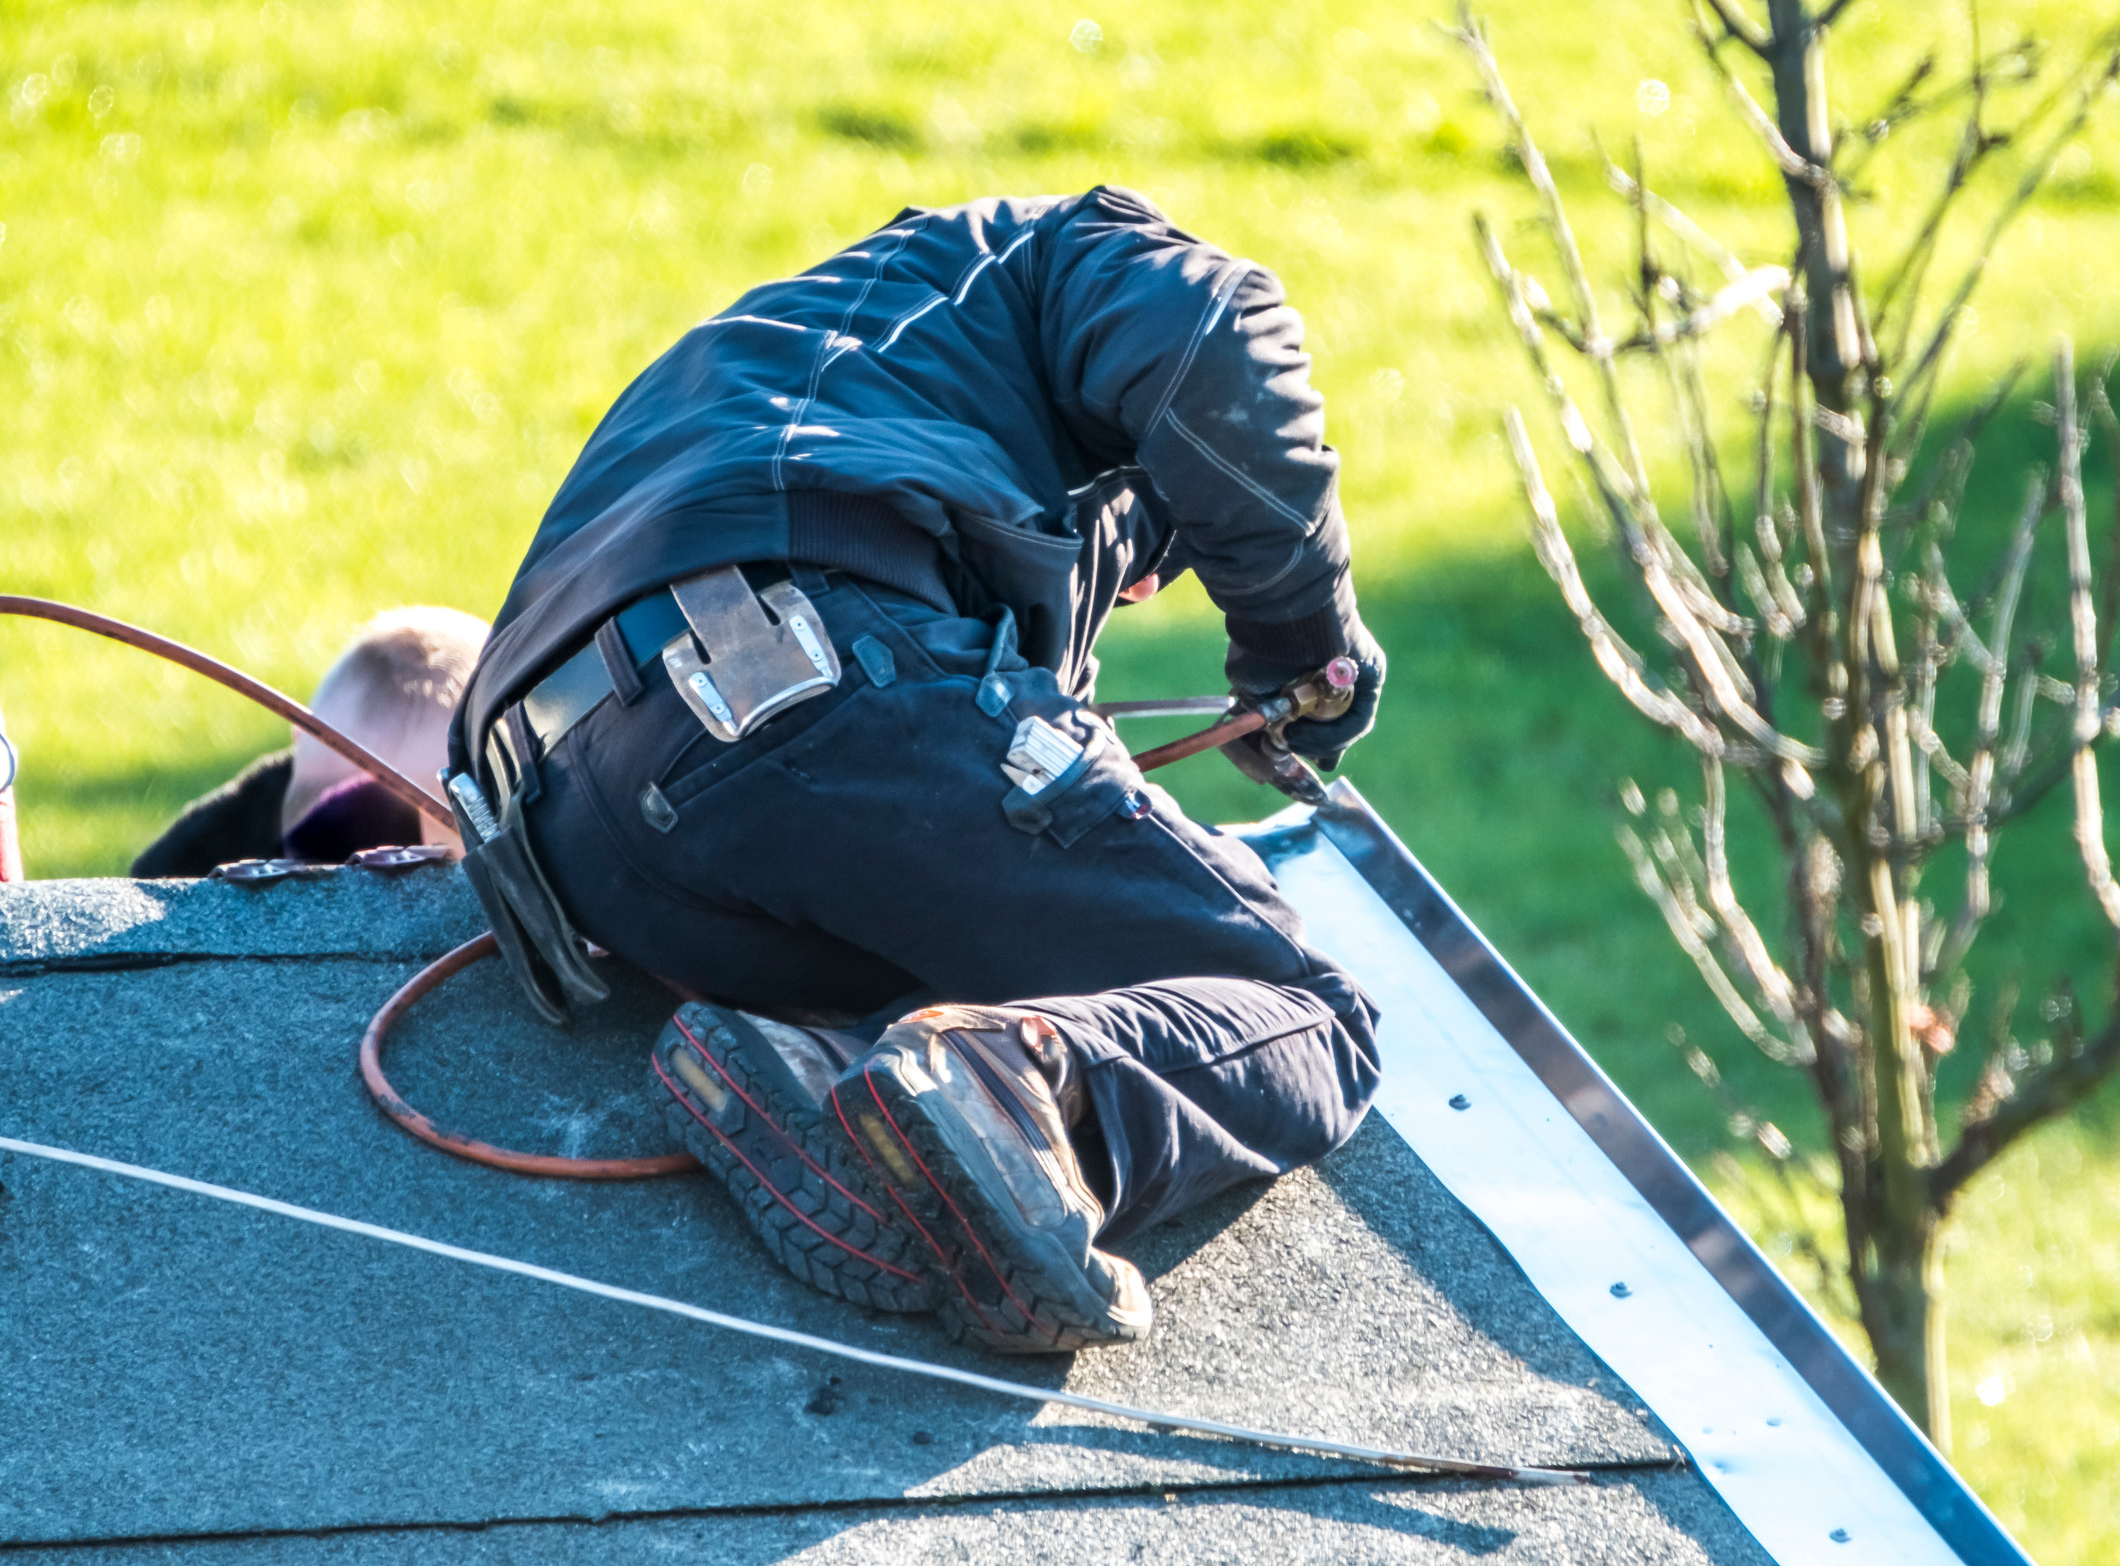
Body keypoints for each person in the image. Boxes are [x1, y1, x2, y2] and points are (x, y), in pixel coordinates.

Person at [448, 189, 1388, 1354]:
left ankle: (822, 1072)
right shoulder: (1070, 255)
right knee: (1302, 1007)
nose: (1144, 581)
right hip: (803, 678)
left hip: (587, 864)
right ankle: (1015, 1078)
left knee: (1000, 964)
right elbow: (1216, 338)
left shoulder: (822, 354)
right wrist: (1305, 639)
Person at [132, 606, 486, 876]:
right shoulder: (190, 866)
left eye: (422, 840)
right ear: (299, 739)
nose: (356, 850)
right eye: (319, 803)